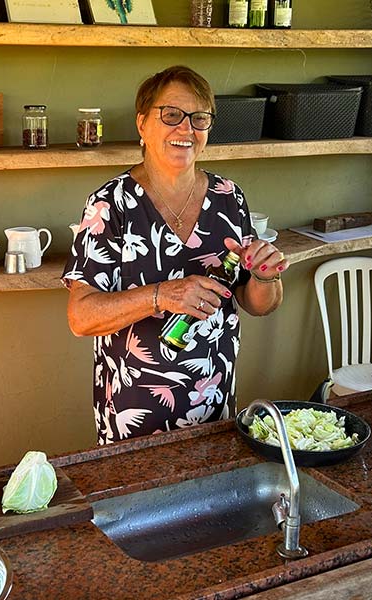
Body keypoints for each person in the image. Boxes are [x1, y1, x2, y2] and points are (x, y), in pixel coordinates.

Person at [62, 65, 288, 445]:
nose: (186, 129)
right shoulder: (110, 204)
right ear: (142, 124)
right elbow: (81, 317)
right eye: (171, 115)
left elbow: (258, 303)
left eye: (199, 118)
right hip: (134, 416)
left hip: (214, 406)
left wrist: (266, 276)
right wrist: (163, 295)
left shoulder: (229, 198)